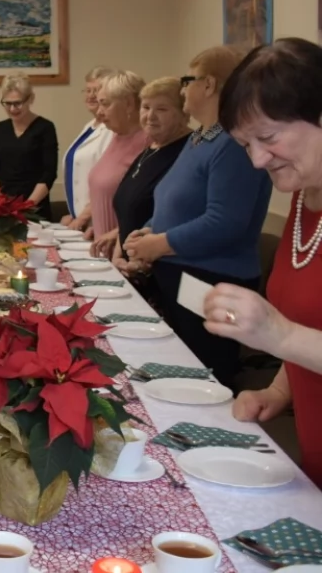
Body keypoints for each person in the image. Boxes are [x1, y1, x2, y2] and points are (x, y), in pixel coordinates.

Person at [200, 37, 322, 487]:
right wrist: (278, 390)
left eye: (267, 138)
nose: (256, 160)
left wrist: (280, 334)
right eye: (244, 144)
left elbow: (295, 331)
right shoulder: (304, 196)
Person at [123, 45, 272, 391]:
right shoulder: (201, 140)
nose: (182, 89)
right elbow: (180, 205)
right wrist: (148, 234)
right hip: (178, 274)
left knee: (203, 383)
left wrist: (158, 243)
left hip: (211, 283)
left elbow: (225, 222)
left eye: (187, 81)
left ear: (208, 85)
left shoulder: (233, 143)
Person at [108, 77, 191, 281]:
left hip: (164, 271)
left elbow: (178, 214)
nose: (150, 116)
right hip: (131, 268)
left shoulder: (191, 148)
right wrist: (118, 255)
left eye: (162, 109)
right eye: (146, 107)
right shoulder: (150, 149)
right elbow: (128, 211)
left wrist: (141, 261)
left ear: (184, 112)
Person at [85, 71, 151, 256]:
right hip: (103, 250)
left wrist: (116, 233)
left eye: (105, 103)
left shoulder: (148, 142)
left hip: (126, 253)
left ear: (129, 104)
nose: (99, 112)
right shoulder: (116, 136)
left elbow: (151, 207)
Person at [0, 72, 59, 220]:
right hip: (4, 209)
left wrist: (27, 207)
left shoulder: (45, 128)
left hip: (35, 209)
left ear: (30, 99)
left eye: (18, 103)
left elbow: (49, 174)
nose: (12, 109)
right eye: (7, 103)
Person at [62, 66, 116, 231]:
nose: (92, 95)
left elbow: (110, 182)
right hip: (81, 221)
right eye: (88, 90)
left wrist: (83, 217)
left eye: (97, 90)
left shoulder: (112, 130)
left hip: (97, 222)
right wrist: (74, 214)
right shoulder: (90, 126)